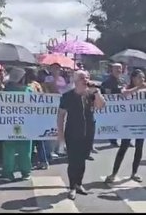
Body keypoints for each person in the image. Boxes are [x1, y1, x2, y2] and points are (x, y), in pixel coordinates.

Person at [57, 70, 106, 200]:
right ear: (76, 81)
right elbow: (61, 116)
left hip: (88, 131)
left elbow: (101, 106)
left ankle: (79, 184)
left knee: (83, 159)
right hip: (72, 132)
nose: (86, 80)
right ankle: (72, 187)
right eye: (83, 78)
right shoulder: (67, 96)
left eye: (87, 78)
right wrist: (60, 135)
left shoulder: (90, 94)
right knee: (73, 161)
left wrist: (97, 92)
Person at [105, 69, 146, 184]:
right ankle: (113, 174)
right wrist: (138, 88)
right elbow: (124, 94)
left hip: (141, 123)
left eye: (143, 77)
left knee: (139, 148)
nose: (142, 79)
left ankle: (134, 173)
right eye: (140, 77)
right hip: (128, 123)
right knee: (123, 148)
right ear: (133, 78)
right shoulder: (127, 87)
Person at [0, 67, 33, 182]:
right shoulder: (29, 90)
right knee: (25, 148)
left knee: (9, 147)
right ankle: (26, 172)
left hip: (9, 124)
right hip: (26, 124)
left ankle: (8, 173)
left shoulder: (5, 91)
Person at [101, 63, 127, 147]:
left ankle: (125, 139)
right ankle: (113, 140)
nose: (118, 70)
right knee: (113, 123)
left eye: (120, 68)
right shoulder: (108, 81)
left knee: (122, 123)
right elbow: (107, 94)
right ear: (112, 70)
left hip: (122, 106)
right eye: (116, 68)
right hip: (112, 106)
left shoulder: (122, 80)